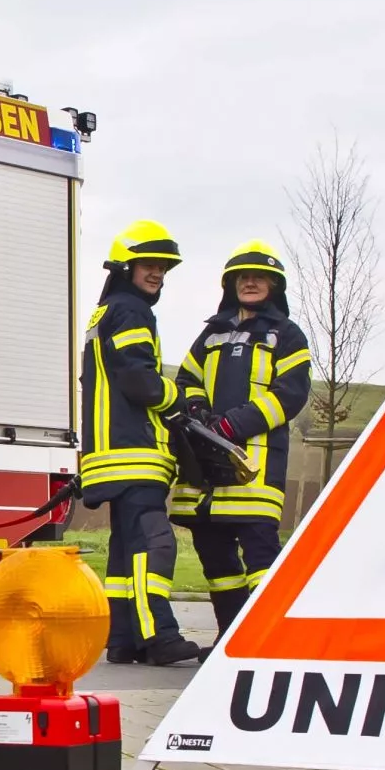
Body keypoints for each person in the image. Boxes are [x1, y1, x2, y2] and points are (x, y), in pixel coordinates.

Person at [80, 221, 205, 666]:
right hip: (134, 451)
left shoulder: (104, 313)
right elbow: (140, 382)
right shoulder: (132, 311)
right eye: (149, 265)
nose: (158, 274)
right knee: (154, 540)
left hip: (108, 455)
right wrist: (178, 401)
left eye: (163, 267)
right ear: (125, 266)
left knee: (126, 548)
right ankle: (159, 636)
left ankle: (123, 638)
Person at [174, 240, 313, 634]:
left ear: (274, 285)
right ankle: (230, 638)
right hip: (207, 476)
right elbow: (186, 381)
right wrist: (198, 413)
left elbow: (291, 394)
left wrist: (232, 426)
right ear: (230, 284)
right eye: (242, 277)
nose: (249, 283)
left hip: (255, 472)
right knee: (217, 564)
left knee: (261, 557)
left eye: (258, 277)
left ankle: (268, 638)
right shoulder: (210, 335)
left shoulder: (287, 335)